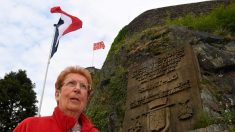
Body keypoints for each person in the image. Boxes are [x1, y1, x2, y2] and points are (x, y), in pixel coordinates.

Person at [14, 66, 99, 132]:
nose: (77, 89)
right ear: (57, 94)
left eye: (83, 86)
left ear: (87, 99)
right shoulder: (29, 127)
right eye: (71, 83)